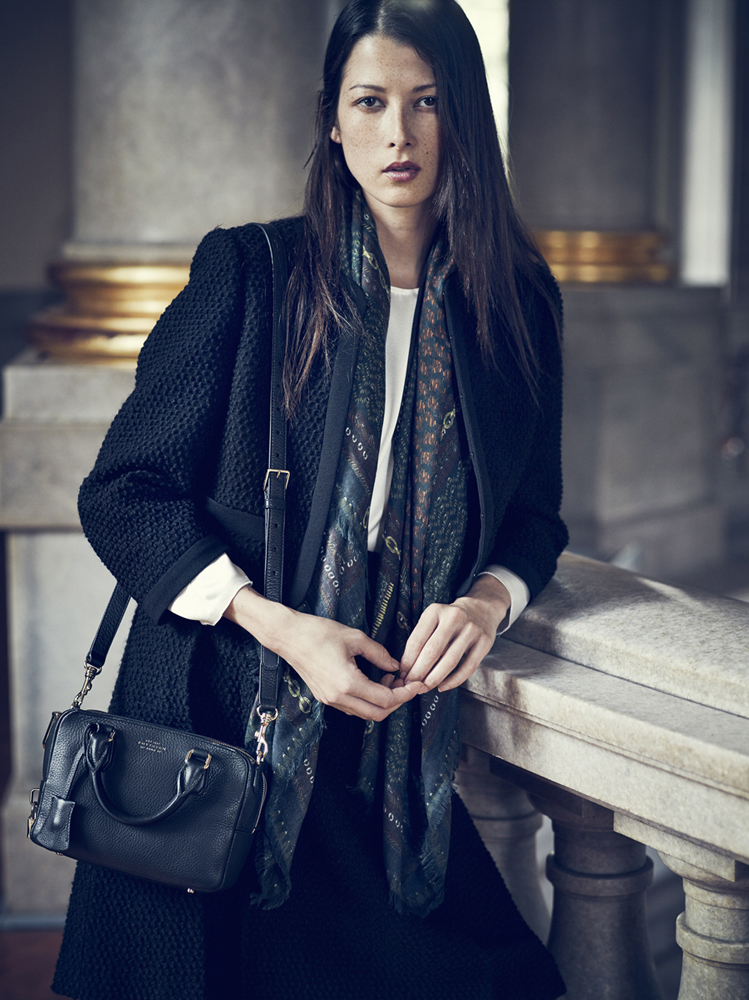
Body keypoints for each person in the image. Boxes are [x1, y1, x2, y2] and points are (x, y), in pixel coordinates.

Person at [53, 1, 568, 998]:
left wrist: (486, 601)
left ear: (464, 116)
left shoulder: (518, 300)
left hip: (387, 741)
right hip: (220, 717)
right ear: (332, 121)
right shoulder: (253, 272)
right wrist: (280, 627)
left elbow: (534, 515)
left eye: (426, 103)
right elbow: (122, 493)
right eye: (369, 102)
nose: (397, 133)